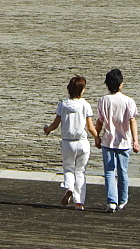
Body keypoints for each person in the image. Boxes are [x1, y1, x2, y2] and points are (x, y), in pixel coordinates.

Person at [43, 75, 98, 210]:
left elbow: (55, 124)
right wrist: (98, 137)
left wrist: (47, 129)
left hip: (68, 142)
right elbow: (90, 127)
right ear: (82, 90)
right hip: (82, 142)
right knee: (80, 171)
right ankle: (79, 202)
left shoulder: (63, 104)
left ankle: (69, 187)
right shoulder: (85, 105)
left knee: (68, 168)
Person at [95, 68, 140, 213]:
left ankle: (111, 201)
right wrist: (135, 140)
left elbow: (100, 121)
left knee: (109, 171)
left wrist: (97, 136)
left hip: (108, 140)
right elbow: (132, 120)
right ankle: (122, 200)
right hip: (124, 140)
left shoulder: (103, 100)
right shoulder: (128, 101)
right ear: (120, 84)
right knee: (123, 171)